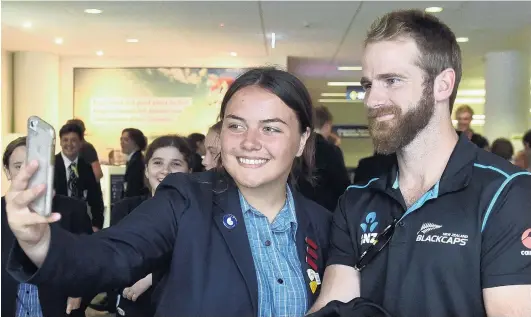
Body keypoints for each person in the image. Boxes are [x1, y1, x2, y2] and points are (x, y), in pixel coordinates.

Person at [5, 67, 332, 317]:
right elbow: (111, 255)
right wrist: (40, 244)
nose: (249, 141)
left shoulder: (325, 226)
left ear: (302, 139)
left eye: (271, 128)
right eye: (236, 125)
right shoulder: (186, 201)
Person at [308, 10, 531, 317]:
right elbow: (334, 305)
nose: (372, 100)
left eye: (392, 81)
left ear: (443, 85)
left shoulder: (507, 194)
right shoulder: (357, 200)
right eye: (368, 85)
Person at [1, 136, 93, 317]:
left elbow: (90, 263)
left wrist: (79, 291)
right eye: (18, 166)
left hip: (57, 309)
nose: (26, 173)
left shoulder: (73, 209)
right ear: (7, 171)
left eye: (33, 166)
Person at [111, 135, 194, 317]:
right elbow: (117, 259)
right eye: (157, 163)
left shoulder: (198, 213)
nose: (165, 170)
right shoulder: (125, 209)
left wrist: (151, 278)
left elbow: (194, 264)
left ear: (189, 172)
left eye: (176, 164)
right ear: (146, 170)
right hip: (132, 305)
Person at [297, 105, 350, 212]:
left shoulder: (297, 148)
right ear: (326, 125)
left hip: (299, 209)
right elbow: (342, 186)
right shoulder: (331, 150)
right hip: (326, 212)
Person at [54, 123, 104, 231]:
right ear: (60, 142)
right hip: (57, 226)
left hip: (82, 226)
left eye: (73, 140)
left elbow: (96, 199)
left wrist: (97, 225)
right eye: (65, 140)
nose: (69, 144)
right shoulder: (51, 166)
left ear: (81, 143)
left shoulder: (86, 167)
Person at [121, 128, 149, 198]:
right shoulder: (134, 160)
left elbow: (133, 190)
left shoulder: (136, 162)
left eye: (126, 140)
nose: (122, 142)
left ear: (136, 142)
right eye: (121, 139)